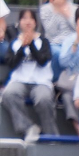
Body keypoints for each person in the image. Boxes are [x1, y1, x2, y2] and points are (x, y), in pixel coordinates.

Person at [2, 10, 59, 144]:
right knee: (8, 94)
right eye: (24, 18)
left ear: (35, 22)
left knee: (43, 99)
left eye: (30, 18)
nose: (27, 21)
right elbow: (11, 64)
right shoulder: (14, 42)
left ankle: (52, 136)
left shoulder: (44, 42)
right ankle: (28, 127)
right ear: (19, 22)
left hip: (41, 82)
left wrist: (31, 44)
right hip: (20, 81)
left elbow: (42, 60)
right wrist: (22, 47)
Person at [39, 0, 77, 66]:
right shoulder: (46, 9)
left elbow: (78, 28)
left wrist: (66, 13)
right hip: (54, 44)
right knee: (58, 54)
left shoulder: (75, 8)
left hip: (72, 44)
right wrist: (56, 10)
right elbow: (51, 32)